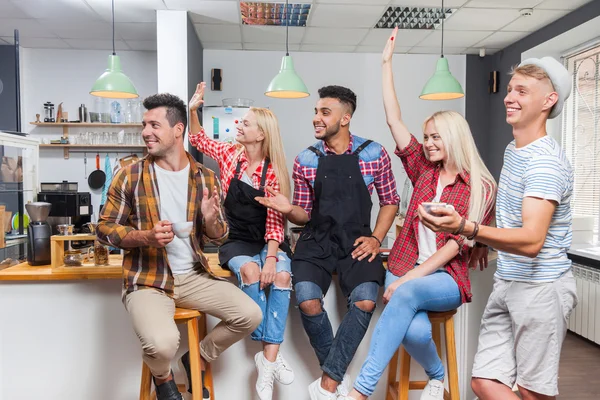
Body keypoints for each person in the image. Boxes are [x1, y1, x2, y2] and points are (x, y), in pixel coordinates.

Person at [340, 27, 497, 400]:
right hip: (405, 263)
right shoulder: (422, 170)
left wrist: (404, 281)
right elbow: (394, 120)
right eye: (425, 137)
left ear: (454, 138)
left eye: (435, 137)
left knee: (405, 297)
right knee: (413, 332)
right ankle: (438, 374)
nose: (427, 144)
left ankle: (360, 391)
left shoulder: (479, 188)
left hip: (444, 276)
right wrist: (385, 63)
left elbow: (453, 248)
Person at [418, 57, 577, 400]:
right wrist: (485, 241)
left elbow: (533, 240)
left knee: (534, 392)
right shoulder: (514, 150)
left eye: (522, 91)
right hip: (509, 279)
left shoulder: (544, 162)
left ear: (549, 101)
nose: (509, 97)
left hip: (541, 287)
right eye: (509, 89)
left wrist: (467, 228)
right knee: (485, 382)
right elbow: (513, 217)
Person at [96, 93, 262, 400]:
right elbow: (104, 229)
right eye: (144, 124)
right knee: (161, 344)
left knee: (250, 314)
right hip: (148, 279)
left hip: (193, 277)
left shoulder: (206, 177)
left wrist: (211, 220)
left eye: (154, 125)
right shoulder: (130, 175)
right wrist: (145, 236)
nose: (146, 131)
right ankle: (163, 377)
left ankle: (196, 358)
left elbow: (219, 234)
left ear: (178, 129)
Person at [256, 85, 400, 400]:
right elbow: (303, 215)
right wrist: (287, 208)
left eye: (324, 112)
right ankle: (335, 380)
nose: (316, 119)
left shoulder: (373, 153)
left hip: (358, 241)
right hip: (316, 240)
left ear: (345, 118)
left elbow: (390, 201)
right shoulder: (306, 159)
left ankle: (326, 386)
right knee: (307, 298)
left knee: (364, 300)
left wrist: (376, 238)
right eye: (316, 112)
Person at [188, 82, 294, 400]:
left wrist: (272, 258)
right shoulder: (230, 155)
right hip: (235, 239)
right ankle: (270, 354)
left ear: (261, 134)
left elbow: (276, 222)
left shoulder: (272, 172)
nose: (239, 125)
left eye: (245, 123)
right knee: (250, 272)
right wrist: (193, 110)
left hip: (267, 240)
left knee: (282, 276)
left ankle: (267, 361)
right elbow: (198, 139)